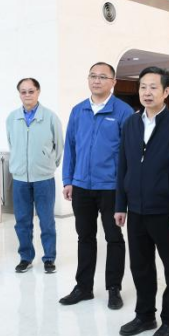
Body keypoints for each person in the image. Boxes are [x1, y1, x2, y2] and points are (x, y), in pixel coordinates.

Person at [114, 66, 169, 336]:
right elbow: (123, 166)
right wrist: (120, 204)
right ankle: (145, 315)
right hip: (136, 209)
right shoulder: (131, 123)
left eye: (153, 87)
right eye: (143, 86)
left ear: (166, 91)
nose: (147, 92)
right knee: (140, 266)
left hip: (166, 210)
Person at [60, 62, 133, 309]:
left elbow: (129, 154)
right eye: (93, 76)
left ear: (114, 82)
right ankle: (83, 287)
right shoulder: (78, 110)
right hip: (81, 186)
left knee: (114, 237)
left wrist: (124, 189)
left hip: (111, 187)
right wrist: (68, 180)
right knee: (85, 237)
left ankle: (113, 288)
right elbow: (70, 147)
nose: (97, 80)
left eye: (103, 77)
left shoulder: (123, 112)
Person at [6, 78, 64, 274]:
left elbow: (59, 146)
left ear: (38, 92)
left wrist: (47, 165)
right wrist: (19, 165)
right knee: (22, 221)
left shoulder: (50, 117)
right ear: (19, 94)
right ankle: (26, 257)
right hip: (20, 179)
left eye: (31, 91)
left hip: (44, 179)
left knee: (47, 221)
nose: (27, 95)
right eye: (23, 92)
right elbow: (12, 144)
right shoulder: (12, 118)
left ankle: (49, 258)